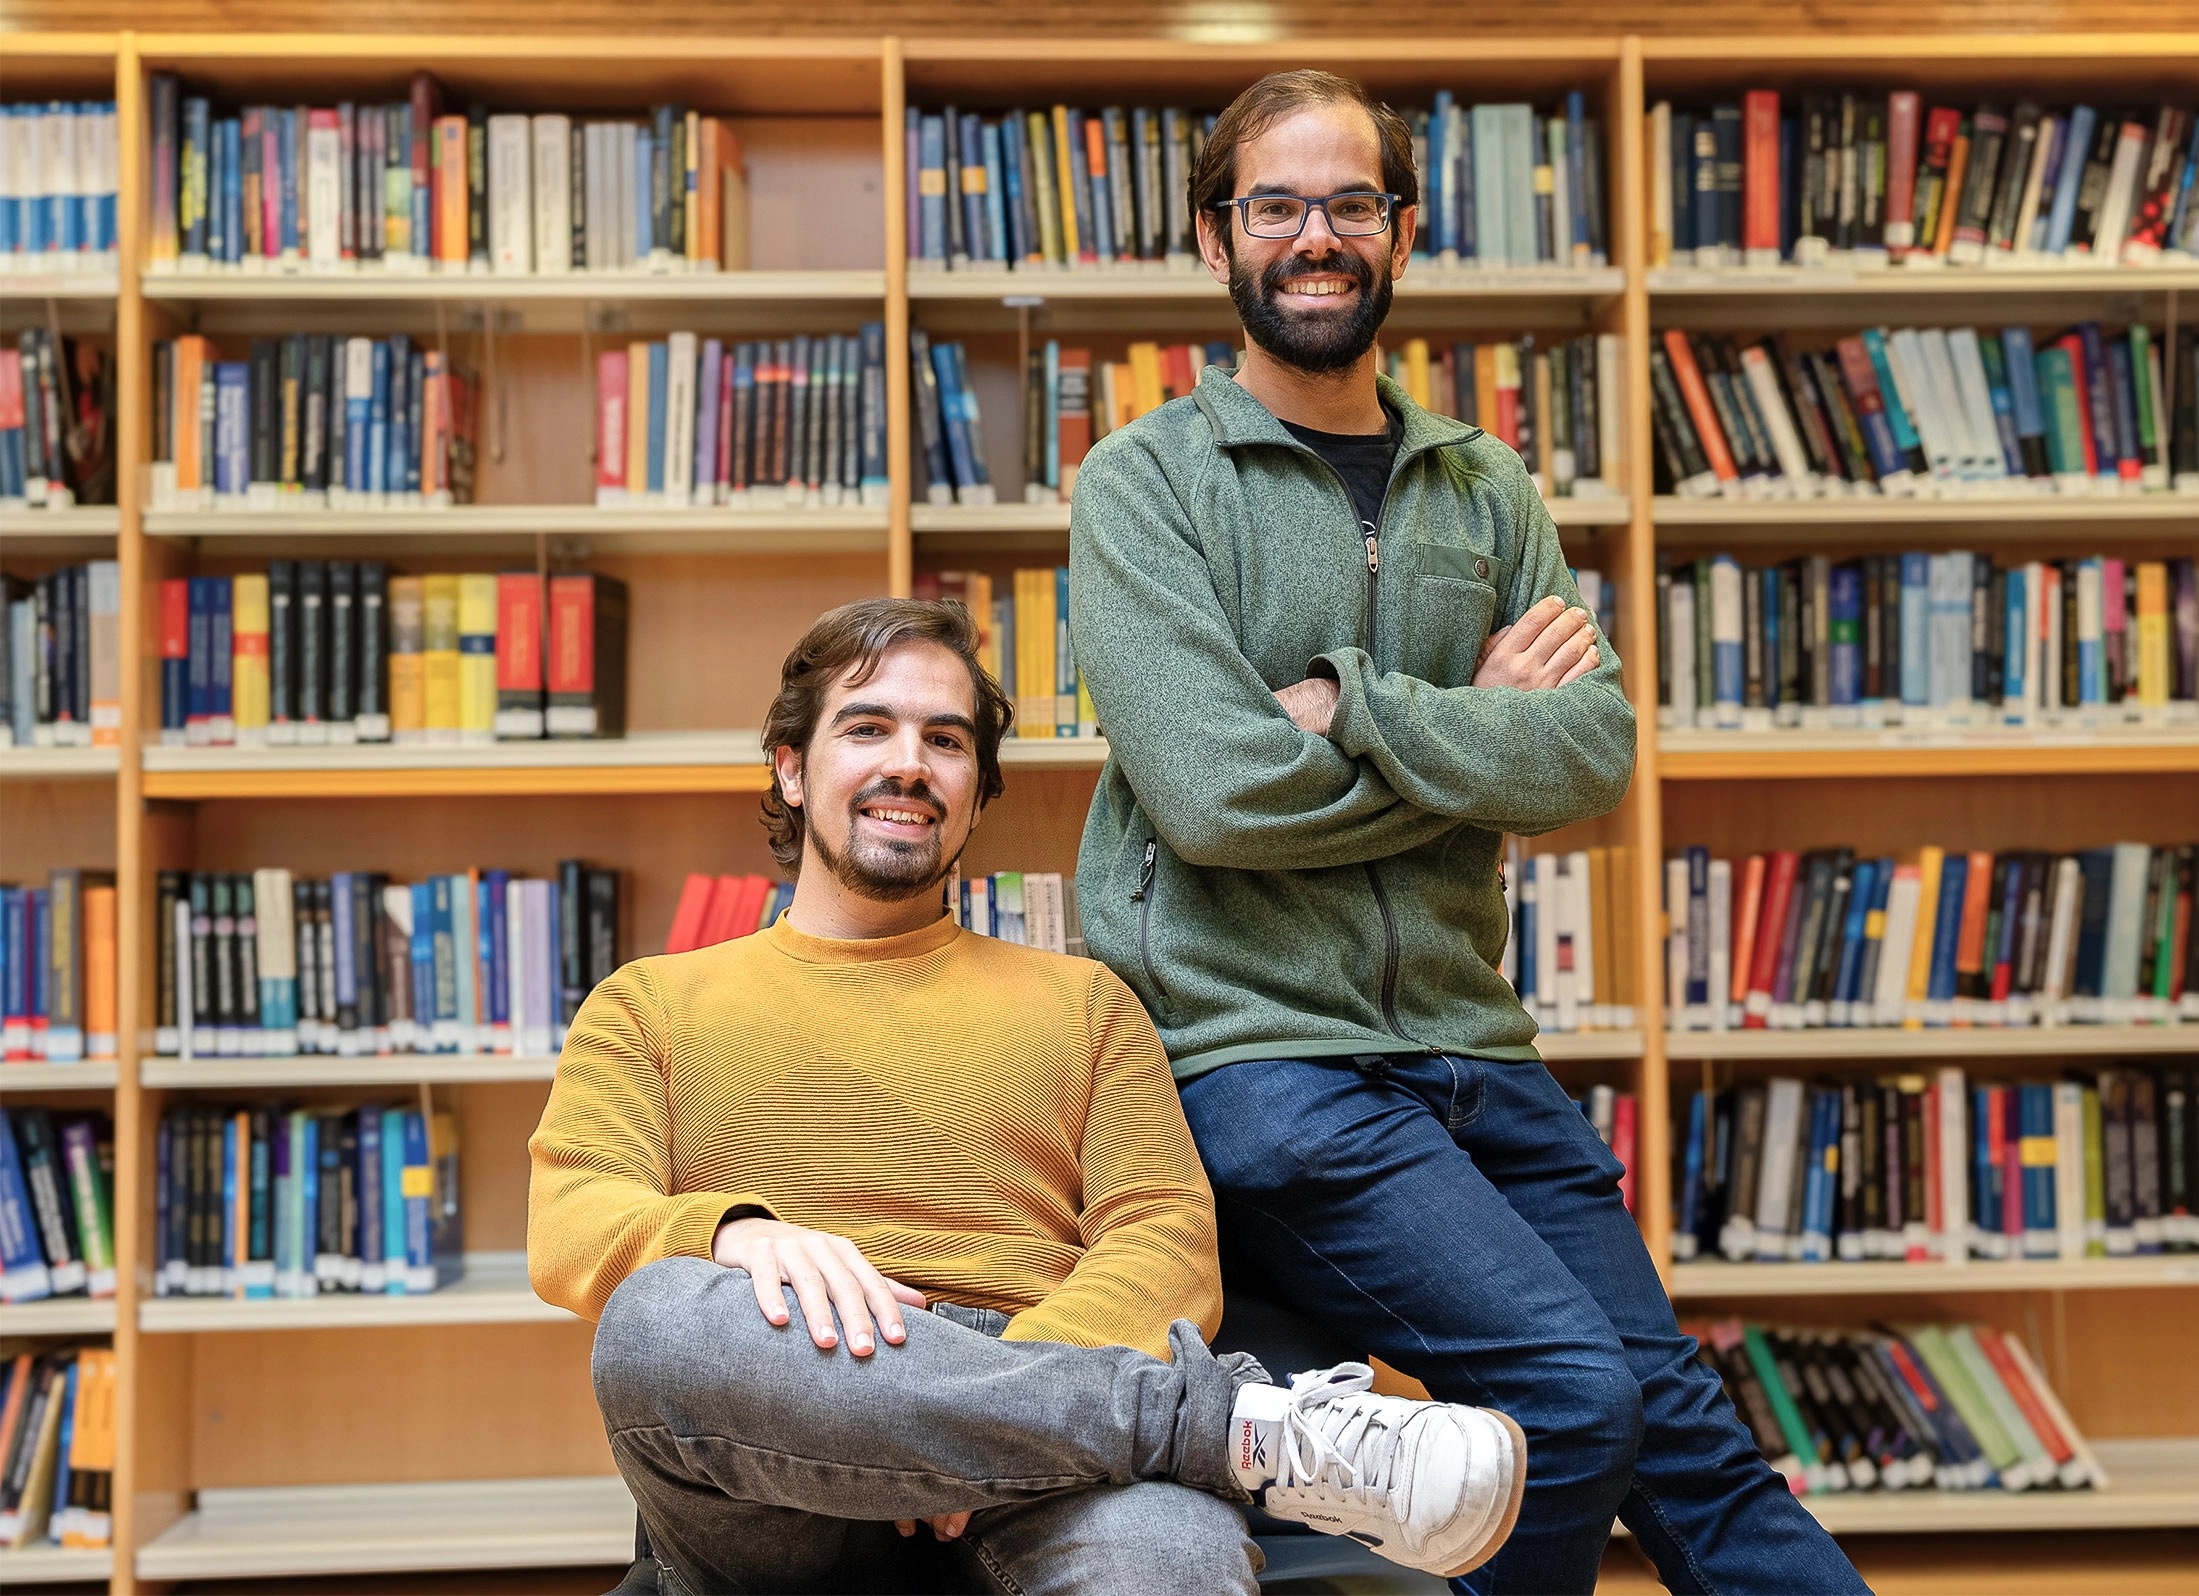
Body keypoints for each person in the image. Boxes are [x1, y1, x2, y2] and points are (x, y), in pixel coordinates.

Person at [1067, 70, 1872, 1596]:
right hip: (1267, 1064)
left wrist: (1351, 703)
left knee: (1688, 1436)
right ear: (1210, 240)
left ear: (1403, 229)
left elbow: (1586, 757)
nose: (1316, 236)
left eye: (1351, 203)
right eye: (1275, 205)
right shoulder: (1142, 485)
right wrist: (1465, 724)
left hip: (1476, 1051)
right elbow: (1215, 795)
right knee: (1576, 1397)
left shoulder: (1482, 483)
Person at [527, 597, 1526, 1596]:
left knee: (1176, 1558)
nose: (909, 764)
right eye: (867, 727)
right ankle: (1229, 1429)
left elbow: (1164, 1240)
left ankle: (1152, 1426)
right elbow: (573, 1225)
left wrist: (976, 1420)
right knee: (656, 1321)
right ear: (791, 769)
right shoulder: (648, 1005)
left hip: (1050, 1424)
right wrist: (737, 1236)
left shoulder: (1086, 1003)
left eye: (946, 741)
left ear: (975, 789)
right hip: (781, 1432)